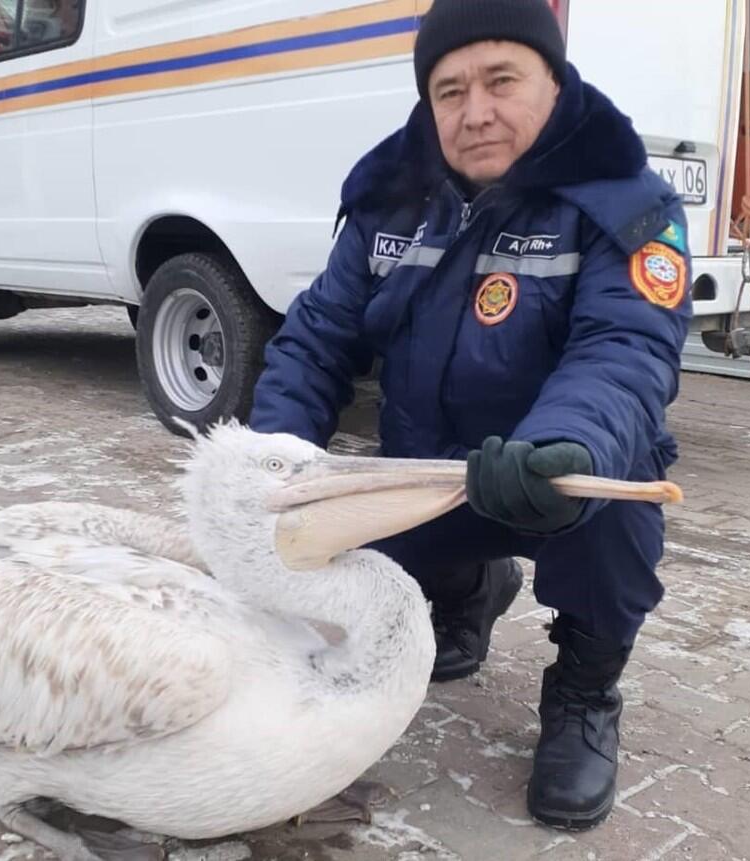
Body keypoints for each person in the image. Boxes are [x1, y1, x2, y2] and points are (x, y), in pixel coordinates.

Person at [250, 0, 692, 830]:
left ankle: (586, 690)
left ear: (553, 84)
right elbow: (314, 340)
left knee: (619, 498)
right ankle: (465, 589)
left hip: (556, 472)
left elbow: (626, 350)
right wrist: (272, 460)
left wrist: (564, 452)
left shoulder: (627, 204)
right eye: (449, 91)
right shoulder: (389, 197)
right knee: (339, 523)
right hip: (431, 468)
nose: (475, 111)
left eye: (501, 80)